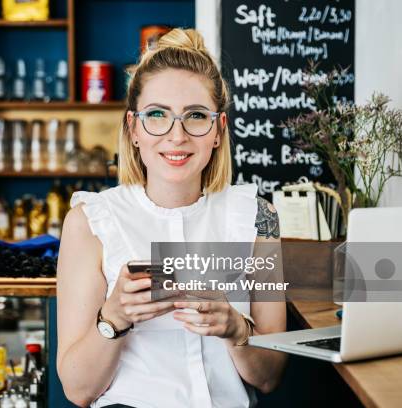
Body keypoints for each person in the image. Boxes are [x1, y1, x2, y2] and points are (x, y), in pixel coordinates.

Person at [56, 28, 287, 408]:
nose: (176, 135)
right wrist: (113, 317)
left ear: (217, 131)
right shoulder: (90, 221)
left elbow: (269, 377)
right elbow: (78, 391)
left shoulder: (259, 218)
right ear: (133, 129)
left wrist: (235, 329)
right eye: (157, 115)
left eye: (195, 116)